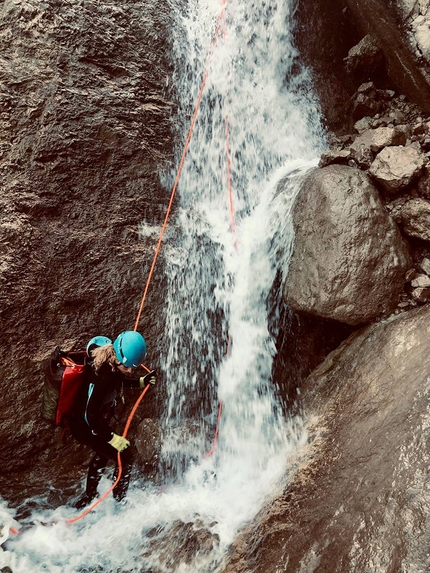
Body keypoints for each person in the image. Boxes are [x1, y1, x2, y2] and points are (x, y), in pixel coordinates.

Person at [69, 331, 156, 509]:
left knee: (103, 453)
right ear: (118, 357)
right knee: (125, 455)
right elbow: (90, 415)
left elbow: (120, 378)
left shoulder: (113, 359)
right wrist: (113, 438)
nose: (131, 370)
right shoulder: (102, 376)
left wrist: (141, 381)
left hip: (92, 420)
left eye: (134, 368)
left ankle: (88, 496)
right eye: (128, 367)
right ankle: (119, 502)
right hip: (83, 424)